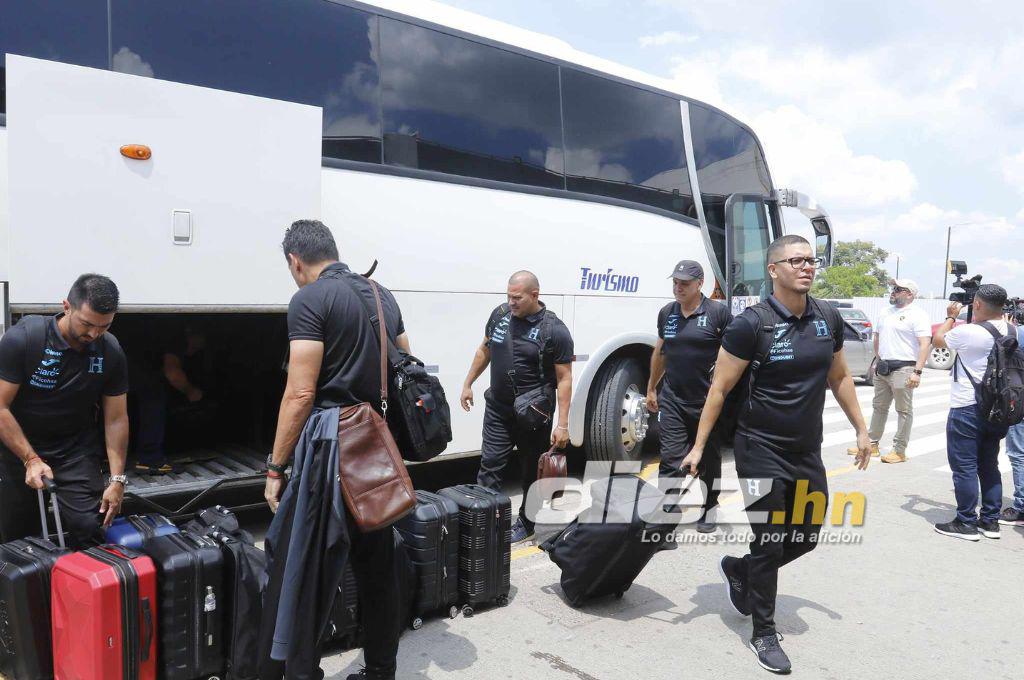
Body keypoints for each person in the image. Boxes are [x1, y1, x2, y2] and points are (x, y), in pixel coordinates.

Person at [681, 235, 872, 674]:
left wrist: (862, 429)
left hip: (806, 449)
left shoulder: (827, 316)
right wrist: (698, 447)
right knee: (769, 541)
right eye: (795, 260)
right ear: (773, 270)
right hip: (758, 449)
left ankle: (740, 569)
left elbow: (840, 377)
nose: (806, 267)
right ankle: (763, 632)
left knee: (806, 536)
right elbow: (719, 388)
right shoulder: (751, 325)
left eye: (810, 260)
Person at [261, 220, 411, 680]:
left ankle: (302, 672)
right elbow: (405, 362)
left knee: (303, 566)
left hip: (329, 447)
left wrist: (275, 467)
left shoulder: (309, 299)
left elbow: (300, 392)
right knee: (376, 567)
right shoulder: (382, 296)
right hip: (374, 446)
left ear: (295, 261)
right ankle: (381, 670)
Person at [0, 274, 129, 548]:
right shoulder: (24, 339)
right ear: (67, 306)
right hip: (18, 449)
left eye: (104, 326)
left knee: (90, 526)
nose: (94, 334)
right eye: (87, 324)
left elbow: (116, 419)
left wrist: (117, 479)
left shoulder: (110, 351)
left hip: (74, 450)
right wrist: (30, 459)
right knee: (21, 540)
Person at [460, 271, 573, 544]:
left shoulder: (554, 330)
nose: (511, 302)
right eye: (509, 296)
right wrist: (468, 383)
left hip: (533, 413)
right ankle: (484, 522)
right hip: (498, 408)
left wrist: (562, 425)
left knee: (530, 470)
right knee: (490, 465)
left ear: (535, 295)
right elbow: (484, 350)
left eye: (517, 298)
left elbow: (564, 378)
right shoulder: (500, 315)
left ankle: (528, 522)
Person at [646, 260, 732, 532]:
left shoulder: (718, 314)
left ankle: (709, 507)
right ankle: (666, 520)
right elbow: (661, 352)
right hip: (673, 399)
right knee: (670, 460)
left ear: (699, 284)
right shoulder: (667, 313)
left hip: (708, 402)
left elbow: (732, 356)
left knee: (708, 460)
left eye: (684, 283)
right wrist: (651, 387)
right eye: (675, 282)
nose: (678, 288)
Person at [932, 284, 1011, 541]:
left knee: (964, 466)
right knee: (989, 465)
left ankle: (965, 522)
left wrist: (951, 316)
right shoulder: (1013, 330)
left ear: (976, 304)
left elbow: (938, 340)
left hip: (967, 406)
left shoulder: (968, 332)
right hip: (998, 408)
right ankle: (990, 521)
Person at [846, 278, 932, 463]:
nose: (893, 291)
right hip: (883, 367)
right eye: (893, 288)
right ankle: (872, 444)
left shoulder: (918, 315)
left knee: (903, 410)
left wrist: (917, 372)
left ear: (910, 294)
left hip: (904, 367)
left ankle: (899, 450)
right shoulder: (885, 312)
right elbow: (877, 338)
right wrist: (878, 361)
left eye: (898, 289)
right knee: (879, 407)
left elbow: (925, 344)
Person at [131, 324, 214, 475]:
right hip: (139, 373)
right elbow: (172, 373)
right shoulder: (177, 341)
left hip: (132, 373)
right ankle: (150, 460)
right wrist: (191, 391)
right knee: (154, 403)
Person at [1000, 318, 1024, 526]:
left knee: (1018, 454)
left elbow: (1001, 353)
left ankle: (1021, 506)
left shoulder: (1018, 333)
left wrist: (1008, 330)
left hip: (1020, 402)